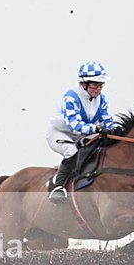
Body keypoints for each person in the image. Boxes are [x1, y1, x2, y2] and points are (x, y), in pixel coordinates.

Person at [46, 61, 116, 203]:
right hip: (61, 133)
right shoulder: (71, 96)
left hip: (82, 135)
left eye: (101, 85)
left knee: (101, 146)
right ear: (83, 84)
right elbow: (75, 125)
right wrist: (96, 128)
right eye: (95, 85)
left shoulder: (101, 99)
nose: (98, 89)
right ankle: (57, 186)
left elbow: (106, 120)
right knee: (71, 151)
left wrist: (115, 130)